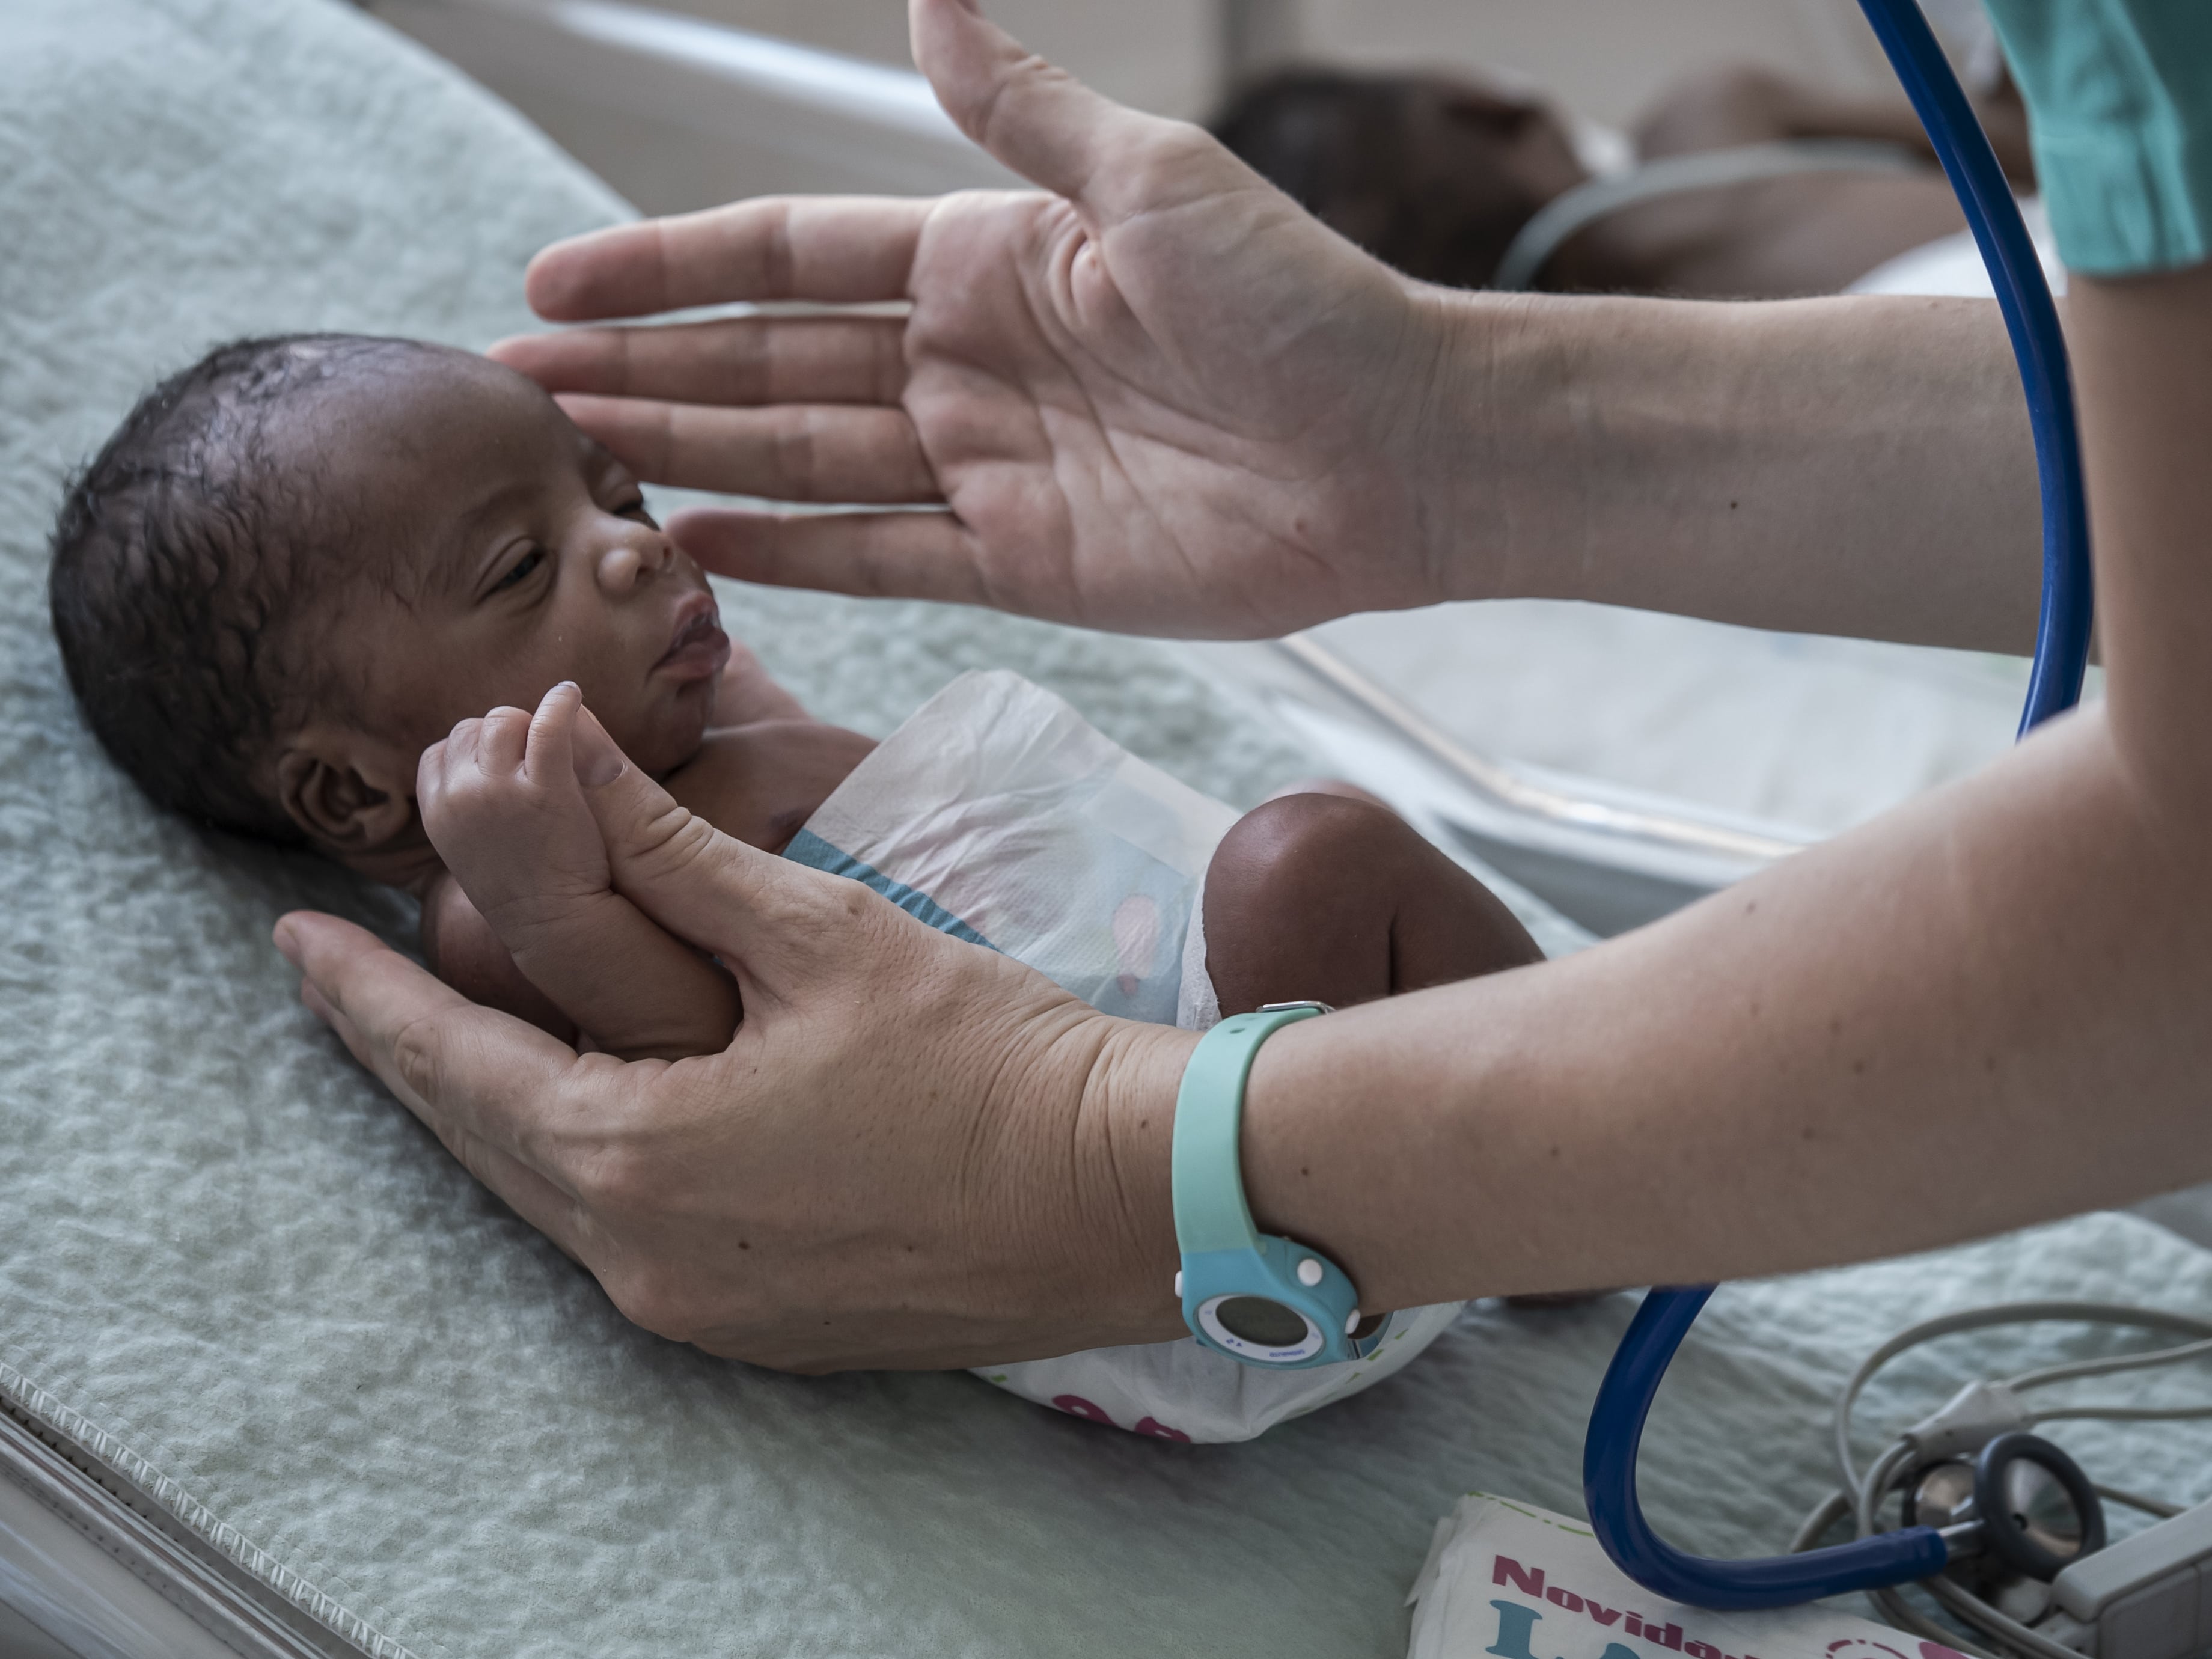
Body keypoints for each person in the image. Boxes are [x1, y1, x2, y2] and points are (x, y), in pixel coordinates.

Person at [273, 0, 2212, 1374]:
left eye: (615, 497)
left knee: (1315, 855)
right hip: (1089, 1215)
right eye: (530, 564)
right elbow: (682, 1018)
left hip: (1142, 1165)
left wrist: (1129, 1169)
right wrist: (1449, 439)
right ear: (359, 792)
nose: (633, 546)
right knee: (1304, 860)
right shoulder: (514, 865)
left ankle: (1568, 1220)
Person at [1209, 60, 2033, 298]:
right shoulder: (1708, 121)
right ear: (1484, 102)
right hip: (2079, 301)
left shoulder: (1599, 397)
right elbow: (2032, 147)